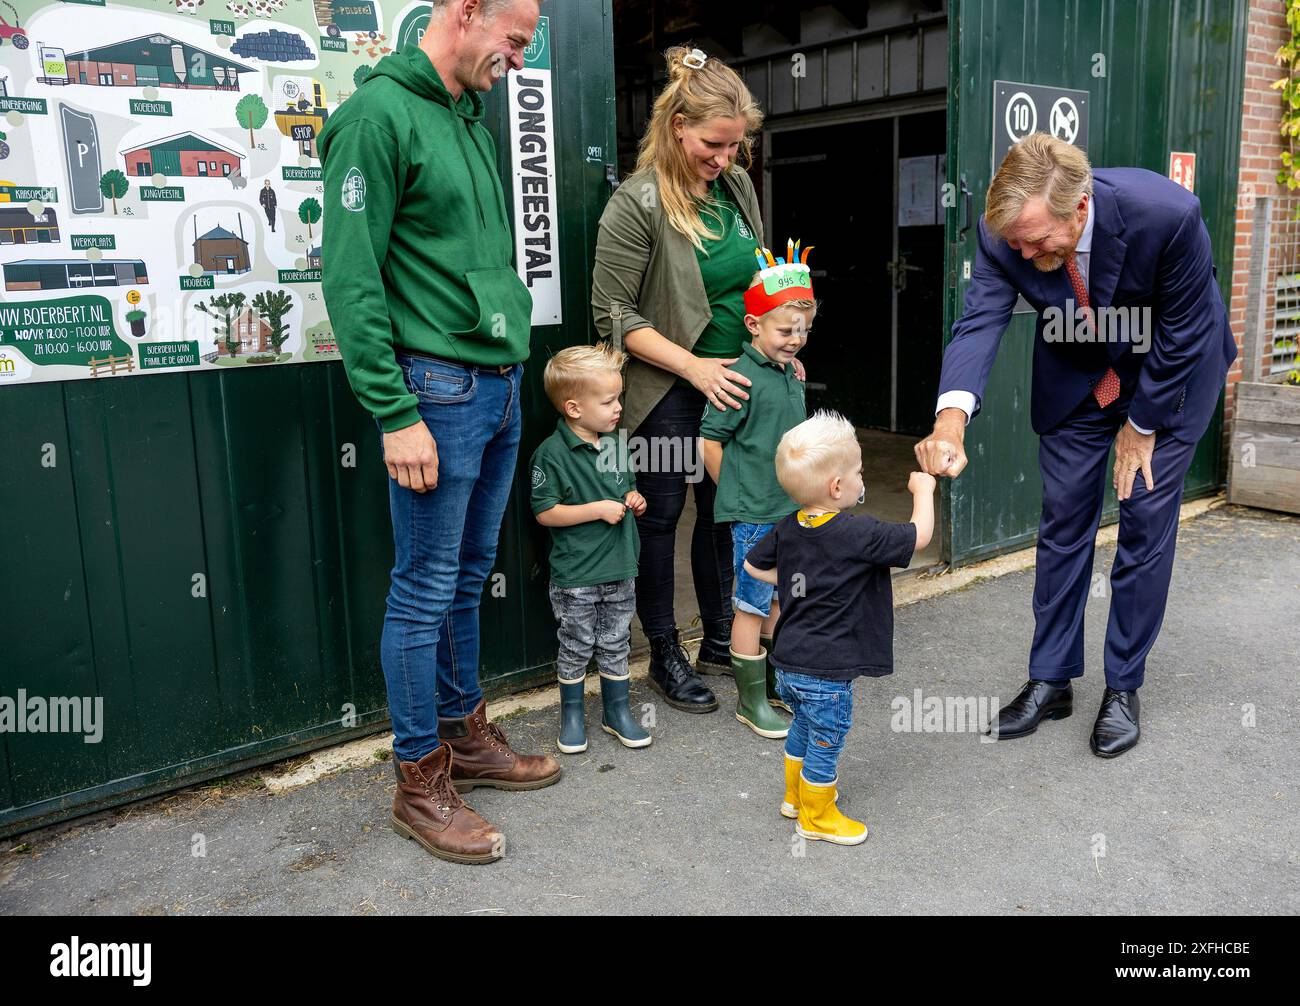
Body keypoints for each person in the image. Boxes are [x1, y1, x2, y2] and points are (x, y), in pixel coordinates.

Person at [318, 0, 558, 867]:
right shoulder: (375, 118)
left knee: (465, 577)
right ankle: (418, 781)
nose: (519, 60)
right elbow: (349, 279)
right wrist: (395, 412)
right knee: (423, 589)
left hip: (496, 385)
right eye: (515, 39)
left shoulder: (471, 121)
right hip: (434, 393)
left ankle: (462, 735)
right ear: (465, 13)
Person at [914, 133, 1238, 758]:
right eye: (1015, 243)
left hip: (1168, 377)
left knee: (1143, 518)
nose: (1025, 252)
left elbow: (1186, 327)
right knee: (1063, 520)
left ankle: (1123, 686)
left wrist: (1141, 426)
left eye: (1037, 240)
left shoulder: (1166, 216)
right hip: (1076, 378)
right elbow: (981, 318)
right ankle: (1051, 678)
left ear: (1080, 206)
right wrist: (950, 419)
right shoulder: (1003, 231)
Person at [592, 46, 789, 715]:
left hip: (736, 379)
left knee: (723, 511)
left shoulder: (733, 186)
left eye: (736, 146)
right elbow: (612, 315)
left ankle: (717, 642)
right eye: (714, 144)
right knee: (663, 514)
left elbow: (756, 274)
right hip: (668, 385)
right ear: (678, 125)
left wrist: (779, 341)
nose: (726, 158)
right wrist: (693, 367)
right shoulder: (637, 201)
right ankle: (664, 651)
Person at [745, 412, 935, 844]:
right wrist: (923, 490)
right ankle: (817, 815)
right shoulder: (858, 533)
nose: (861, 478)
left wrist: (798, 581)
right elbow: (919, 536)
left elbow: (753, 566)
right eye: (859, 472)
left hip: (788, 660)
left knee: (802, 727)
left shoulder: (788, 527)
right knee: (827, 737)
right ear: (836, 486)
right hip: (827, 670)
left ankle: (794, 796)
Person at [700, 244, 816, 739]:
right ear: (753, 325)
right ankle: (750, 702)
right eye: (785, 331)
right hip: (755, 514)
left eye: (804, 331)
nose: (796, 340)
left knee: (778, 601)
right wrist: (739, 492)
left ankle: (771, 687)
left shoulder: (791, 372)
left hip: (790, 509)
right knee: (750, 602)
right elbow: (709, 440)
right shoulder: (740, 379)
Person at [531, 345, 651, 754]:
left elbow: (627, 490)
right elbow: (546, 512)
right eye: (608, 401)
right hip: (577, 575)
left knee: (617, 642)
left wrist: (635, 500)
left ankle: (616, 712)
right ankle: (572, 715)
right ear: (574, 408)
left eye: (619, 397)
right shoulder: (552, 454)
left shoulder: (616, 445)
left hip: (620, 566)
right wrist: (597, 510)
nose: (618, 407)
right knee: (577, 645)